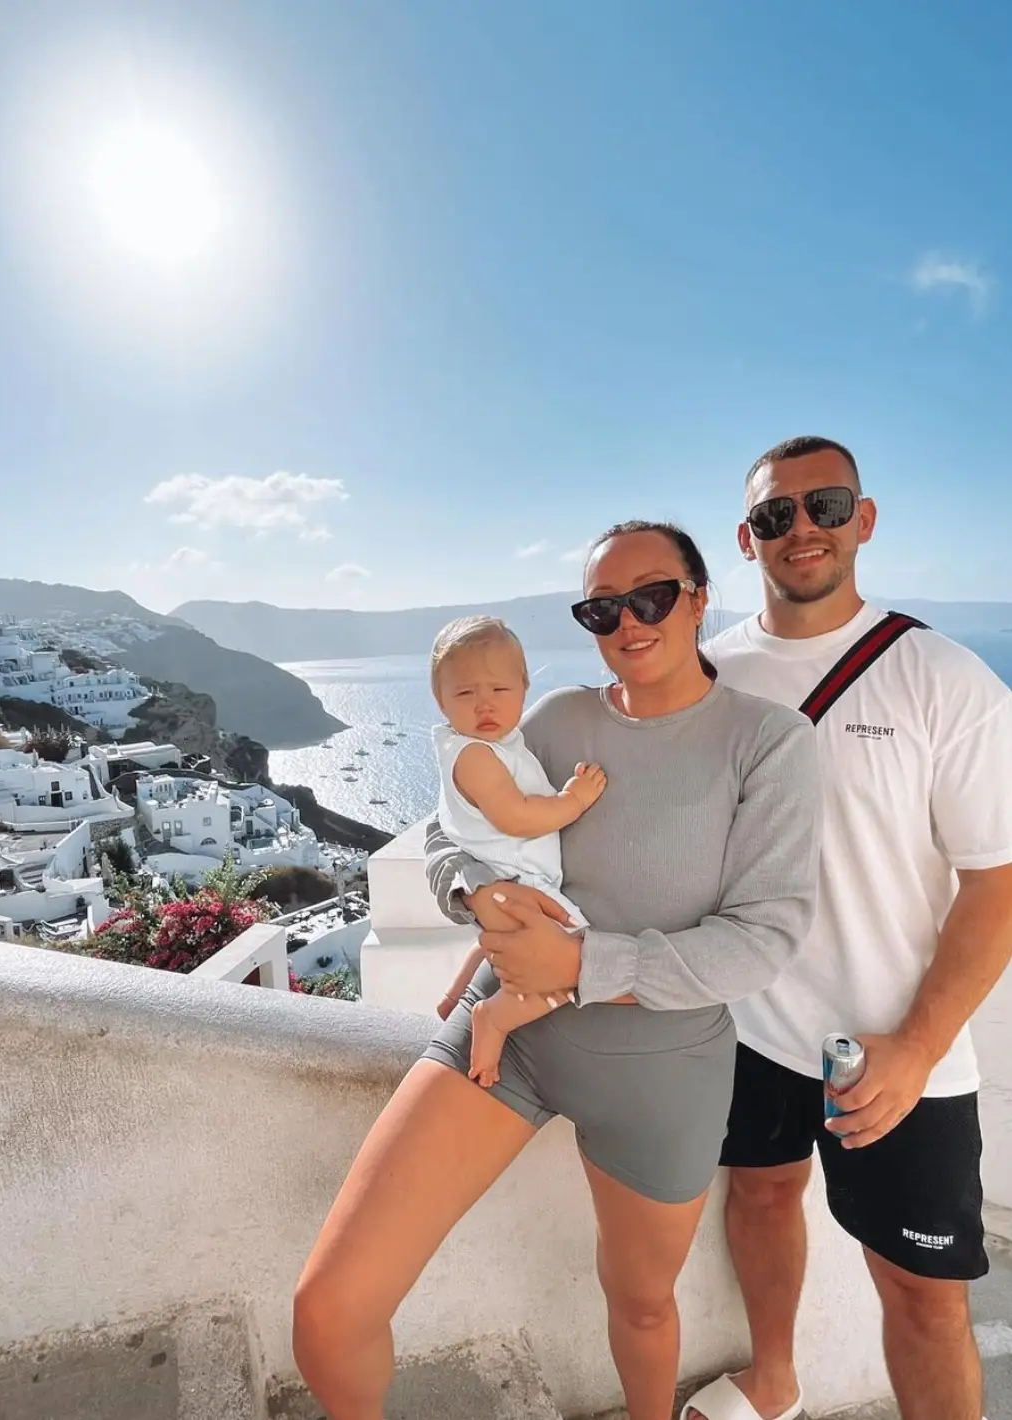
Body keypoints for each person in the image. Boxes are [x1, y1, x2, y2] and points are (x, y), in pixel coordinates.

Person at [294, 519, 822, 1420]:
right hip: (507, 1039)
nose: (629, 622)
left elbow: (762, 937)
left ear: (699, 598)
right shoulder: (557, 721)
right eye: (602, 608)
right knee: (328, 1311)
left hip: (660, 1073)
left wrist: (579, 962)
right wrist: (474, 894)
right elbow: (451, 834)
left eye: (652, 596)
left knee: (643, 1305)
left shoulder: (769, 741)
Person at [683, 436, 1012, 1420]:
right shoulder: (706, 674)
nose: (801, 529)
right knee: (758, 1197)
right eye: (773, 514)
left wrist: (917, 1047)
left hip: (893, 1045)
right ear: (745, 539)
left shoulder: (941, 677)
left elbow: (996, 883)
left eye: (824, 505)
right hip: (747, 1022)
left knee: (922, 1296)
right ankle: (772, 1382)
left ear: (862, 520)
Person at [429, 613, 608, 1086]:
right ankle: (495, 1018)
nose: (484, 703)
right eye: (465, 693)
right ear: (440, 700)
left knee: (497, 944)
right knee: (571, 967)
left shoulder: (495, 745)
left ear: (524, 688)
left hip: (507, 877)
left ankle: (453, 996)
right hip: (515, 879)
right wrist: (574, 800)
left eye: (499, 689)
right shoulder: (475, 756)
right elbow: (517, 816)